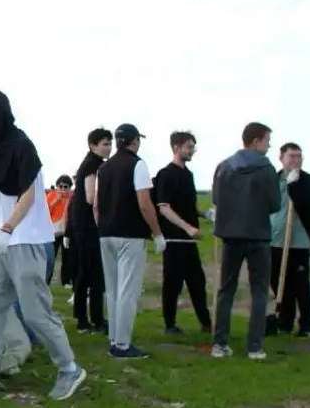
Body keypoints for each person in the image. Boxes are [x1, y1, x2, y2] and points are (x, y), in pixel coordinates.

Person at [0, 91, 86, 402]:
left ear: (0, 113)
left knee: (36, 314)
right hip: (0, 245)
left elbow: (29, 196)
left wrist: (8, 228)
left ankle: (70, 369)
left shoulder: (23, 148)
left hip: (26, 241)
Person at [211, 122, 281, 361]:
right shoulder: (266, 168)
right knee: (259, 292)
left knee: (226, 291)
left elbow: (217, 199)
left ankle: (219, 344)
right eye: (267, 140)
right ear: (255, 141)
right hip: (258, 235)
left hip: (230, 235)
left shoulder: (224, 167)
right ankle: (255, 347)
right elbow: (275, 204)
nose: (269, 145)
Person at [93, 124, 165, 359]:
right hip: (130, 235)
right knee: (127, 291)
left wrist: (103, 227)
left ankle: (114, 338)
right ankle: (122, 345)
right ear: (134, 141)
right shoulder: (138, 164)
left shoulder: (104, 169)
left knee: (112, 290)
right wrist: (157, 233)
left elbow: (95, 206)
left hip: (106, 234)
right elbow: (145, 203)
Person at [154, 131, 213, 335]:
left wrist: (205, 214)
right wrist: (187, 227)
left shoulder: (188, 174)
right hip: (173, 238)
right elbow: (164, 207)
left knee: (198, 281)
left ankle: (206, 323)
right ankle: (170, 324)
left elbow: (188, 206)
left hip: (189, 241)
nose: (192, 151)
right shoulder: (166, 174)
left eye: (193, 147)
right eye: (189, 146)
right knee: (173, 284)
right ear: (176, 147)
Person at [270, 143, 310, 337]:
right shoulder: (273, 179)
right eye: (292, 156)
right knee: (279, 283)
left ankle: (306, 324)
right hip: (274, 241)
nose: (296, 160)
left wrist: (293, 184)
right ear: (281, 158)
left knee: (302, 284)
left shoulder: (308, 180)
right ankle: (285, 322)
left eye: (299, 156)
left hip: (301, 242)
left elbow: (305, 203)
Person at [69, 128, 111, 333]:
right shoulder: (93, 165)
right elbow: (90, 198)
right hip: (87, 225)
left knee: (86, 273)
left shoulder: (91, 163)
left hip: (82, 224)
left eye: (110, 143)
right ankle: (93, 320)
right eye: (104, 144)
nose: (108, 148)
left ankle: (84, 318)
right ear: (93, 145)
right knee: (93, 273)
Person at [45, 176, 74, 286]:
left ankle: (66, 281)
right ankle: (47, 280)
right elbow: (46, 211)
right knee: (50, 257)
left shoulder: (72, 198)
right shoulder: (51, 195)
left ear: (69, 187)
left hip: (66, 232)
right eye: (60, 186)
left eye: (65, 187)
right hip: (53, 232)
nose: (62, 189)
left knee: (67, 258)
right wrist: (56, 200)